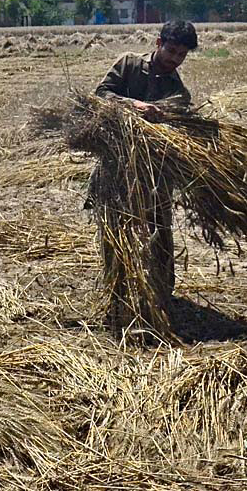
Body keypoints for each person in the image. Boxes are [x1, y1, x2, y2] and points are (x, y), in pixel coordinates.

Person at [92, 20, 198, 330]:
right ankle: (118, 293)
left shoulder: (179, 93)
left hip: (155, 175)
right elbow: (101, 94)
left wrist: (169, 121)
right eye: (171, 50)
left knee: (159, 232)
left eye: (182, 55)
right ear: (158, 42)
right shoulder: (128, 64)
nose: (174, 59)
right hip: (116, 166)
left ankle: (162, 296)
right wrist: (135, 106)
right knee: (115, 230)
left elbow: (181, 131)